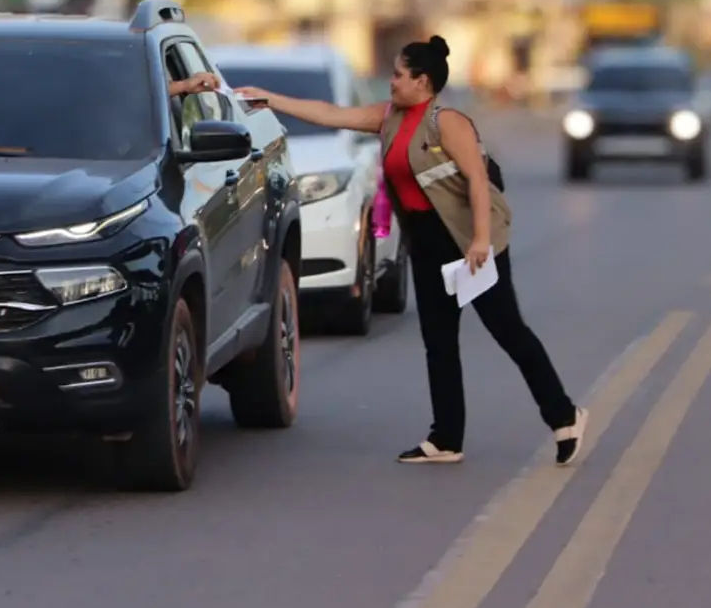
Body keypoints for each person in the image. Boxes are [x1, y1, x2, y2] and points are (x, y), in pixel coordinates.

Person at [236, 36, 588, 466]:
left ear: (422, 81)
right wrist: (270, 100)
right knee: (438, 342)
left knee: (508, 332)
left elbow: (478, 181)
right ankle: (446, 438)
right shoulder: (390, 117)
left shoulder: (447, 122)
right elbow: (331, 114)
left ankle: (565, 416)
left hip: (468, 242)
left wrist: (480, 240)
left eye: (399, 74)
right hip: (426, 243)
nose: (392, 81)